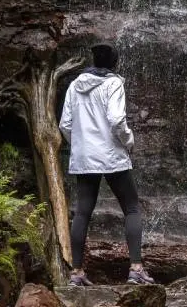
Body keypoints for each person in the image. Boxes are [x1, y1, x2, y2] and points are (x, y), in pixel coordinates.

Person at [58, 43, 155, 286]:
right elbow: (115, 120)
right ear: (114, 63)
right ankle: (135, 269)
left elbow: (65, 125)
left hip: (84, 157)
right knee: (131, 208)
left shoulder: (74, 85)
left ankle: (77, 273)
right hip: (112, 156)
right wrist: (129, 140)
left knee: (82, 213)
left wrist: (81, 144)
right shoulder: (113, 83)